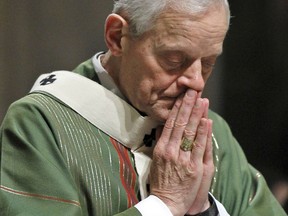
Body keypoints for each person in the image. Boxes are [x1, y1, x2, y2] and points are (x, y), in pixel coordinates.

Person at [0, 0, 286, 215]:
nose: (196, 82)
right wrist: (165, 204)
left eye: (209, 63)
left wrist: (205, 211)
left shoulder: (210, 134)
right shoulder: (40, 126)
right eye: (174, 60)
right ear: (116, 37)